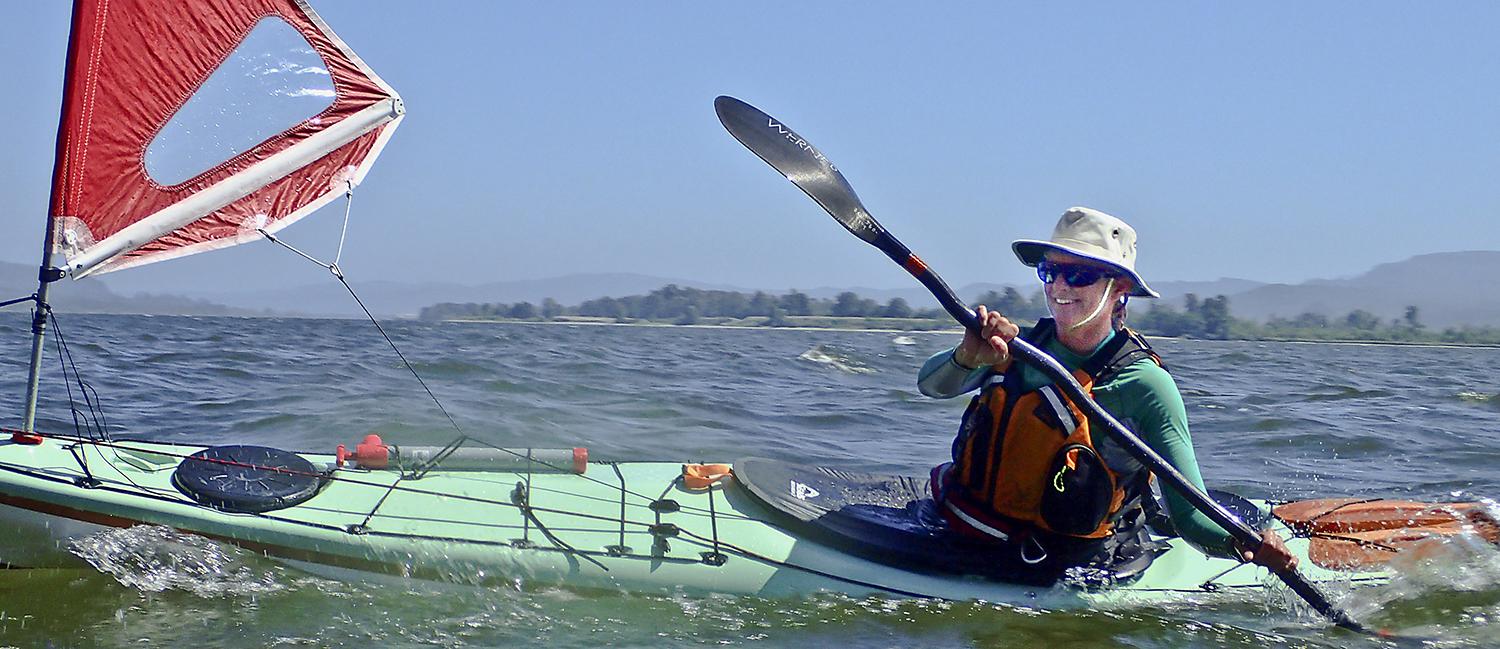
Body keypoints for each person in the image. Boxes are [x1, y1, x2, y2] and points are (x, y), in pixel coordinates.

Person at [918, 206, 1294, 584]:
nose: (1059, 287)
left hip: (1063, 561)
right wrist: (966, 357)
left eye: (1079, 275)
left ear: (1120, 289)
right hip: (963, 526)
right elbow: (931, 386)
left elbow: (1190, 517)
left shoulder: (1145, 385)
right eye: (1050, 272)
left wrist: (1248, 547)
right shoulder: (1014, 346)